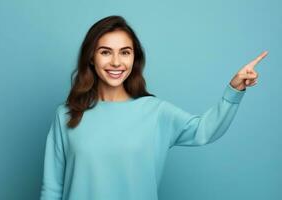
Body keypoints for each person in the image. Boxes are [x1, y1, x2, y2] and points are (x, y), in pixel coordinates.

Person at [39, 15, 268, 200]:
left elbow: (205, 130)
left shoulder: (155, 112)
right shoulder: (66, 115)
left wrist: (234, 89)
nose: (116, 62)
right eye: (105, 52)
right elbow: (52, 188)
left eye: (125, 52)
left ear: (134, 58)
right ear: (91, 58)